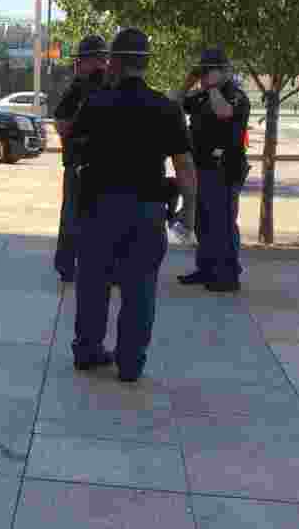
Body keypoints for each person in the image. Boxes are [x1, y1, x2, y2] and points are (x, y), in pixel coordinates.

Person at [68, 28, 196, 382]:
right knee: (140, 289)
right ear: (145, 64)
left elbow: (71, 138)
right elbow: (184, 165)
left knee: (94, 284)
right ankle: (130, 363)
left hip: (99, 208)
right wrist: (189, 211)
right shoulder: (166, 108)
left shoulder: (97, 102)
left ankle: (89, 350)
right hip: (146, 211)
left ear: (116, 63)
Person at [171, 48, 250, 292]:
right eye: (203, 71)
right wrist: (188, 81)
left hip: (224, 170)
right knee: (203, 222)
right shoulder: (202, 96)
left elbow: (224, 112)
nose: (205, 76)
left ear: (225, 71)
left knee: (222, 223)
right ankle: (206, 269)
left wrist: (214, 86)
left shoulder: (235, 96)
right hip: (201, 168)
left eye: (210, 71)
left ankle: (227, 275)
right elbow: (173, 103)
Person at [52, 34, 109, 285]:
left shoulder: (95, 86)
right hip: (83, 163)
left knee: (81, 217)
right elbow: (62, 124)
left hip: (93, 165)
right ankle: (69, 266)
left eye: (81, 61)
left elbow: (63, 126)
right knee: (78, 217)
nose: (77, 66)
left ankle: (74, 266)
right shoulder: (80, 86)